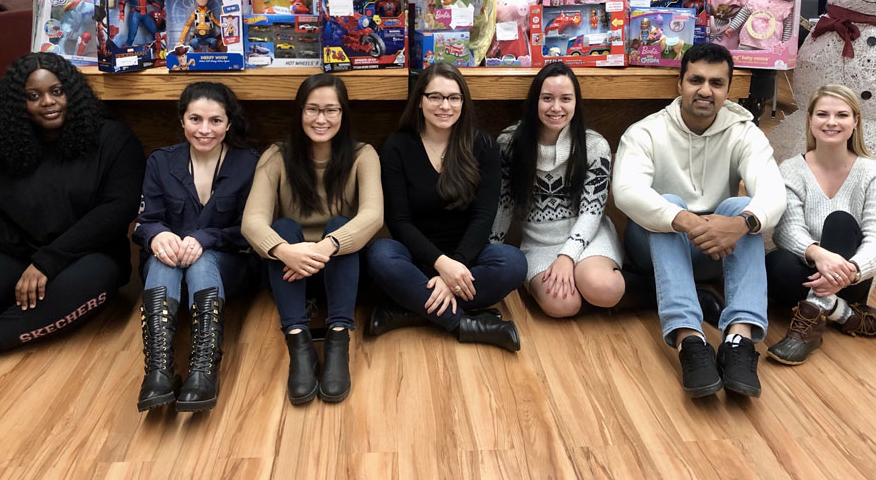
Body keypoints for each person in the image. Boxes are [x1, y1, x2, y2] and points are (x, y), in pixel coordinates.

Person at [614, 43, 786, 398]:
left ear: (727, 88)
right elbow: (627, 191)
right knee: (665, 204)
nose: (705, 90)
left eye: (716, 82)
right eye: (696, 80)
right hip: (653, 246)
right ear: (680, 84)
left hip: (715, 249)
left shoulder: (744, 131)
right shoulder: (645, 132)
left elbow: (773, 192)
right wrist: (685, 220)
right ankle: (689, 339)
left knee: (743, 206)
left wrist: (742, 224)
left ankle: (739, 339)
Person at [0, 53, 144, 368]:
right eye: (33, 96)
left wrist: (48, 261)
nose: (48, 102)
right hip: (8, 252)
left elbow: (117, 210)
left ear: (72, 91)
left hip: (85, 255)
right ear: (18, 105)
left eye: (56, 91)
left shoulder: (113, 138)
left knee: (86, 284)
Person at [241, 74, 383, 406]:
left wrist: (327, 246)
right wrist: (284, 250)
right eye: (312, 109)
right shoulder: (276, 155)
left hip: (342, 273)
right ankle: (298, 341)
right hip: (288, 275)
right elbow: (251, 222)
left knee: (341, 226)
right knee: (285, 227)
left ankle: (338, 340)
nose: (321, 119)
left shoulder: (364, 155)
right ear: (299, 112)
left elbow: (373, 216)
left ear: (343, 114)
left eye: (331, 110)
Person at [366, 63, 527, 351]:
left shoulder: (483, 146)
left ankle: (411, 308)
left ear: (463, 102)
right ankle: (465, 323)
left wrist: (457, 265)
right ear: (419, 101)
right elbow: (399, 221)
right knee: (380, 254)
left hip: (469, 261)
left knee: (514, 262)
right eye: (435, 97)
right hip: (415, 258)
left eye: (454, 97)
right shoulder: (397, 147)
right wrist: (443, 266)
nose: (445, 106)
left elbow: (484, 217)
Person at [131, 82, 259, 412]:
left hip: (228, 265)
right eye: (195, 119)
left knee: (202, 263)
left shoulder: (249, 164)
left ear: (229, 123)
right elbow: (145, 222)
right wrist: (157, 235)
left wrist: (205, 238)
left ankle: (203, 371)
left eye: (215, 121)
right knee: (163, 260)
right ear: (182, 120)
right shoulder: (160, 161)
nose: (204, 130)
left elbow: (251, 232)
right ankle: (157, 372)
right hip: (169, 265)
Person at [765, 85, 876, 365]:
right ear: (810, 119)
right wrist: (818, 254)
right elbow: (786, 230)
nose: (831, 122)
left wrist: (853, 269)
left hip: (851, 277)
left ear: (855, 121)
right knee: (774, 263)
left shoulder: (873, 173)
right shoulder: (791, 169)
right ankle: (849, 316)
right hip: (807, 269)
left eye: (842, 115)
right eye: (822, 114)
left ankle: (807, 329)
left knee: (840, 221)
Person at [490, 63, 625, 317]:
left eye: (565, 99)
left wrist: (567, 257)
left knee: (605, 288)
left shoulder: (594, 145)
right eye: (547, 98)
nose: (556, 108)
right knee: (562, 305)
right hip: (539, 243)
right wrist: (490, 251)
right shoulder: (509, 143)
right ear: (535, 101)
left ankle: (604, 285)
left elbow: (592, 212)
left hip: (588, 237)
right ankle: (579, 288)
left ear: (576, 102)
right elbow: (503, 204)